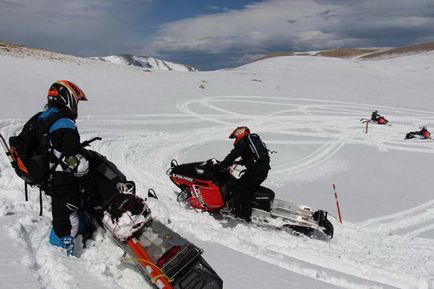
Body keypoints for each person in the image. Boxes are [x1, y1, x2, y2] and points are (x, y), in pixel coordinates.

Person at [38, 80, 92, 256]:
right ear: (67, 98)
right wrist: (84, 165)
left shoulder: (43, 117)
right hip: (62, 179)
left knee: (64, 210)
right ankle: (61, 254)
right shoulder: (64, 123)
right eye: (75, 101)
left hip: (48, 176)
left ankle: (81, 230)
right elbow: (73, 159)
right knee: (67, 217)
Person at [215, 126, 270, 222]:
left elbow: (232, 156)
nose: (235, 139)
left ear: (239, 133)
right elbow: (253, 157)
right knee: (246, 189)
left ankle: (238, 213)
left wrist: (221, 166)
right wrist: (243, 162)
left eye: (235, 137)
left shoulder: (243, 143)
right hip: (262, 171)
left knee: (237, 188)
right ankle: (243, 213)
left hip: (255, 173)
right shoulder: (251, 142)